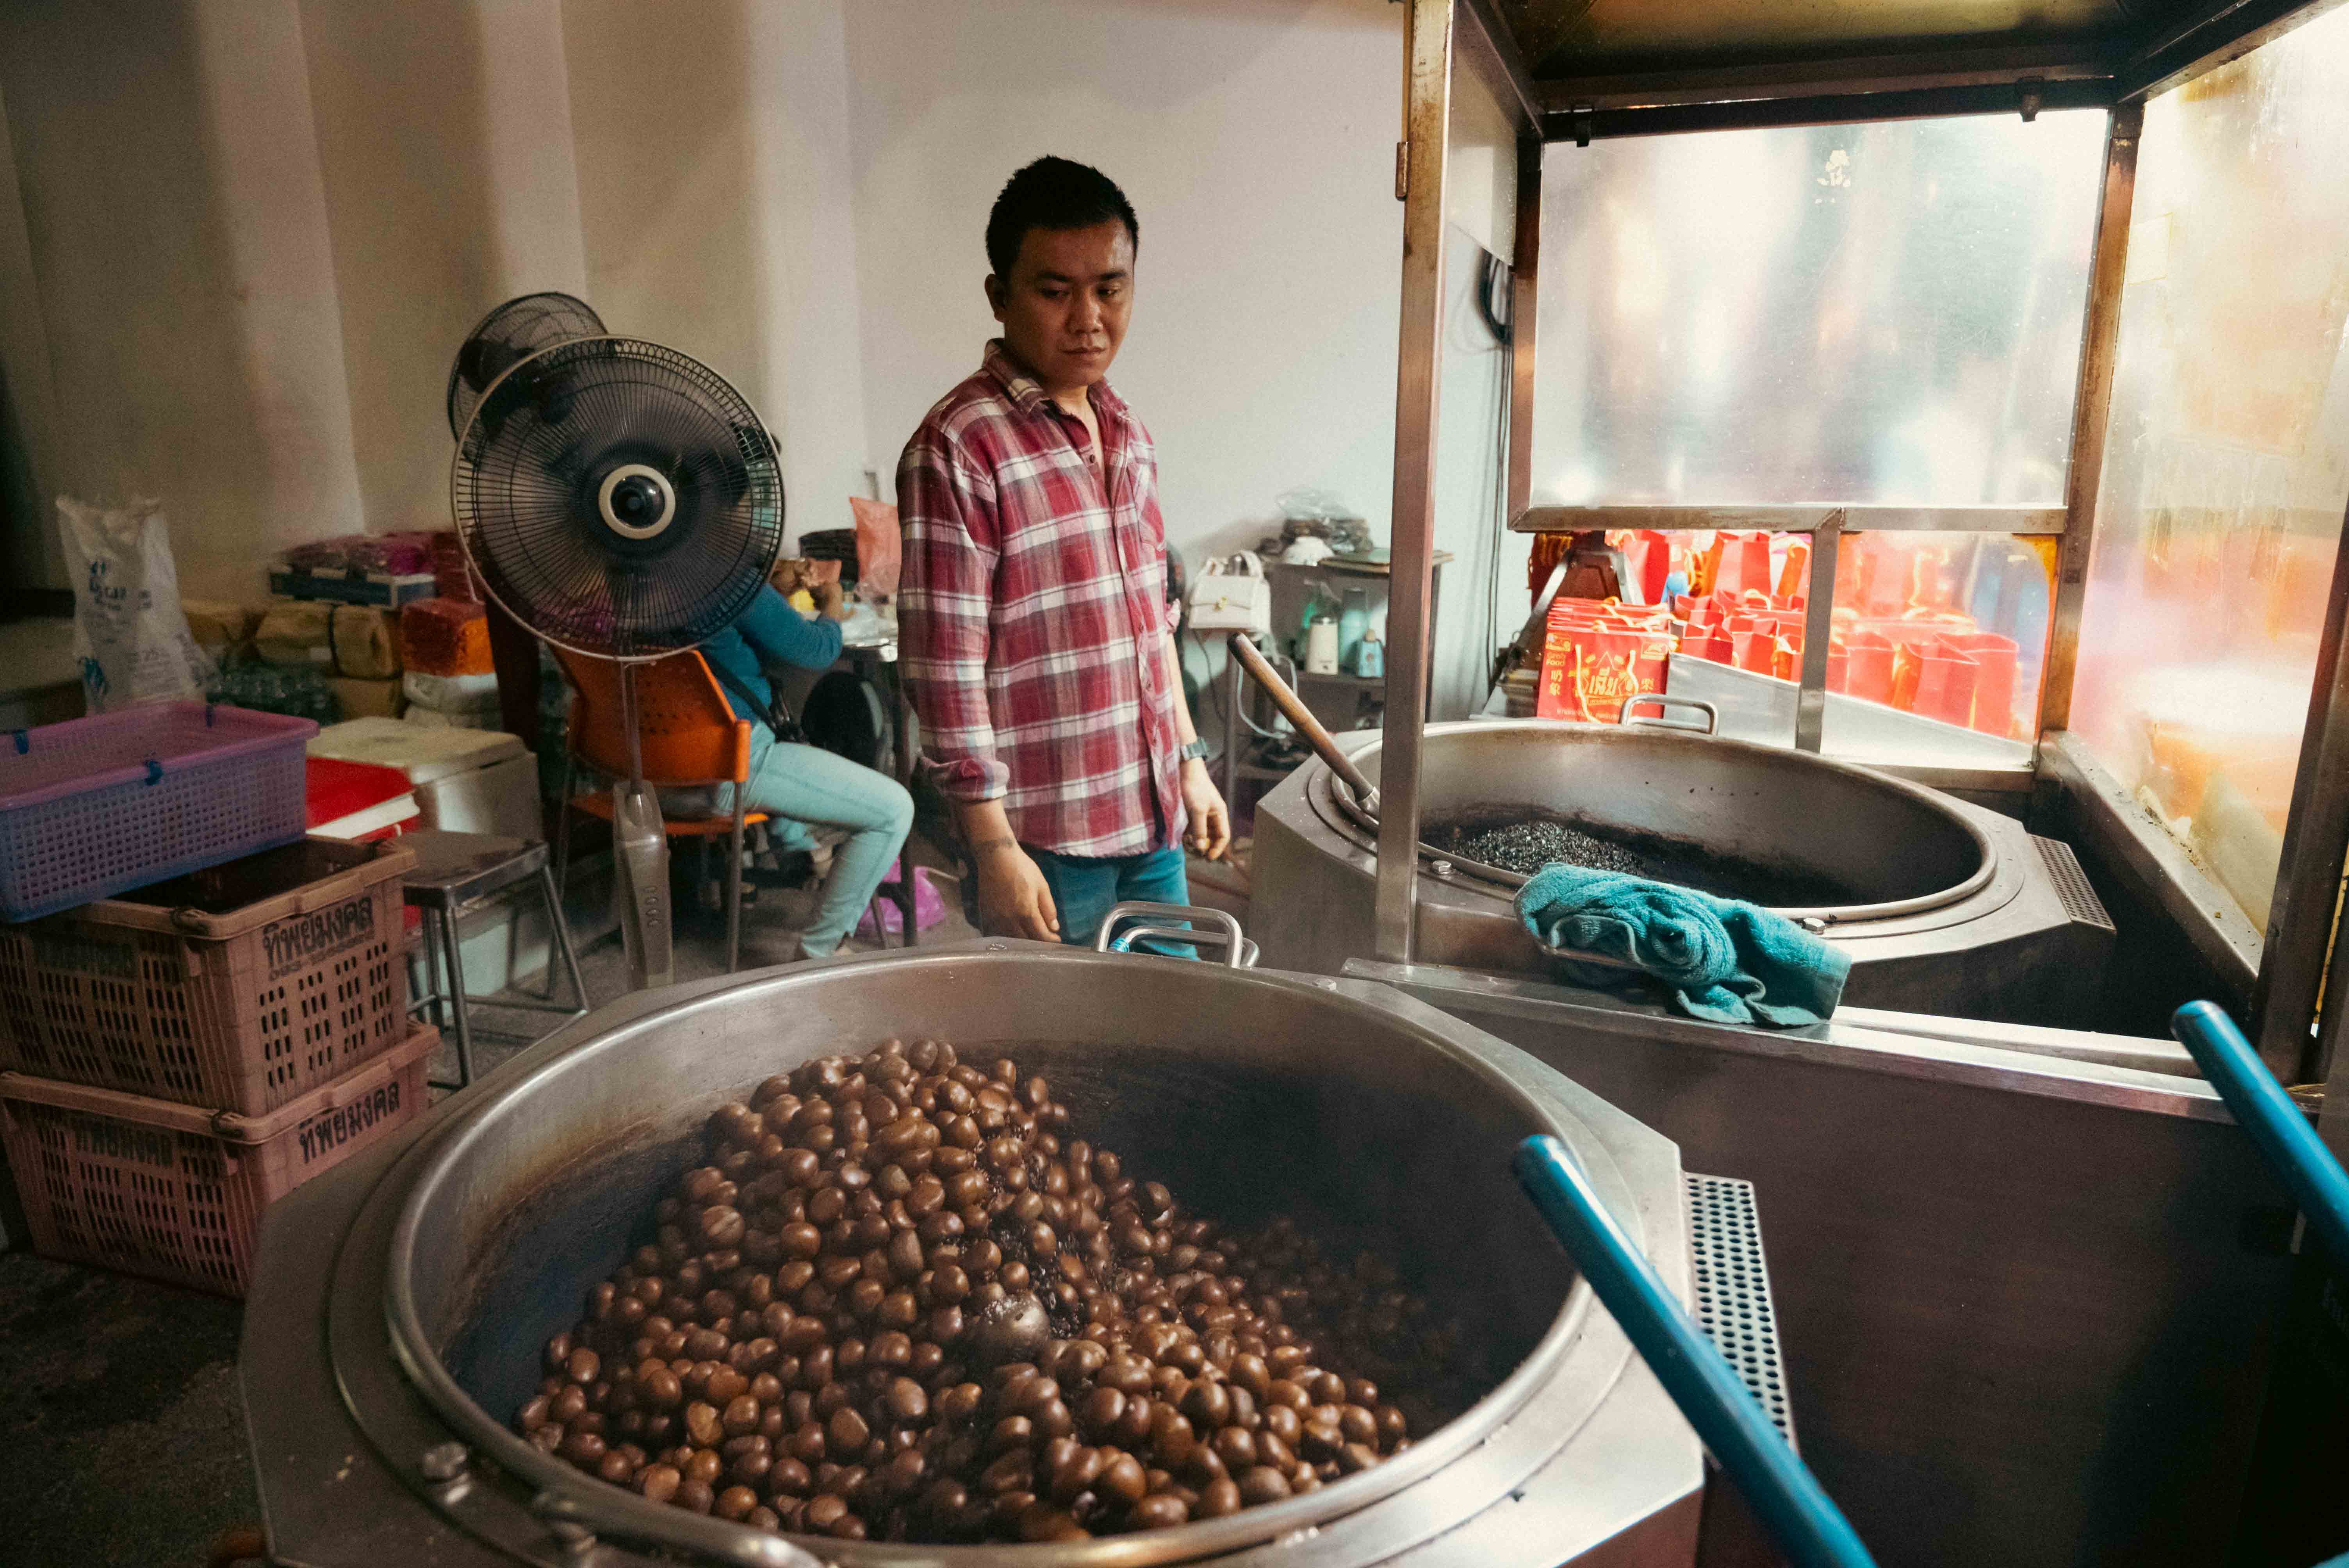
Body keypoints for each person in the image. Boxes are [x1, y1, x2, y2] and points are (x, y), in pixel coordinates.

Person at [897, 156, 1230, 949]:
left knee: (1174, 1035)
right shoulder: (960, 444)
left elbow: (1152, 625)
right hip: (1045, 843)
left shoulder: (1128, 435)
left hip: (1150, 825)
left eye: (1108, 289)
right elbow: (943, 672)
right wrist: (991, 846)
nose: (1087, 317)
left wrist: (1188, 764)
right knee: (1071, 1059)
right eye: (1054, 291)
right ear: (999, 296)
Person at [694, 562, 913, 960]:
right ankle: (818, 953)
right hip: (729, 771)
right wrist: (833, 602)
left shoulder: (622, 587)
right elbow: (817, 650)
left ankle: (801, 849)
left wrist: (770, 592)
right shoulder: (724, 578)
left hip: (640, 786)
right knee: (895, 808)